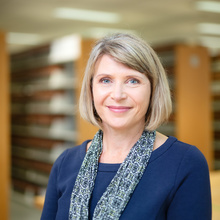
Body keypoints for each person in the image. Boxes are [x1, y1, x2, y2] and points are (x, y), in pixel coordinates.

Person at [41, 33, 212, 220]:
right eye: (105, 80)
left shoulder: (185, 163)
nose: (117, 94)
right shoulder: (65, 163)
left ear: (153, 89)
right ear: (91, 89)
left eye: (133, 80)